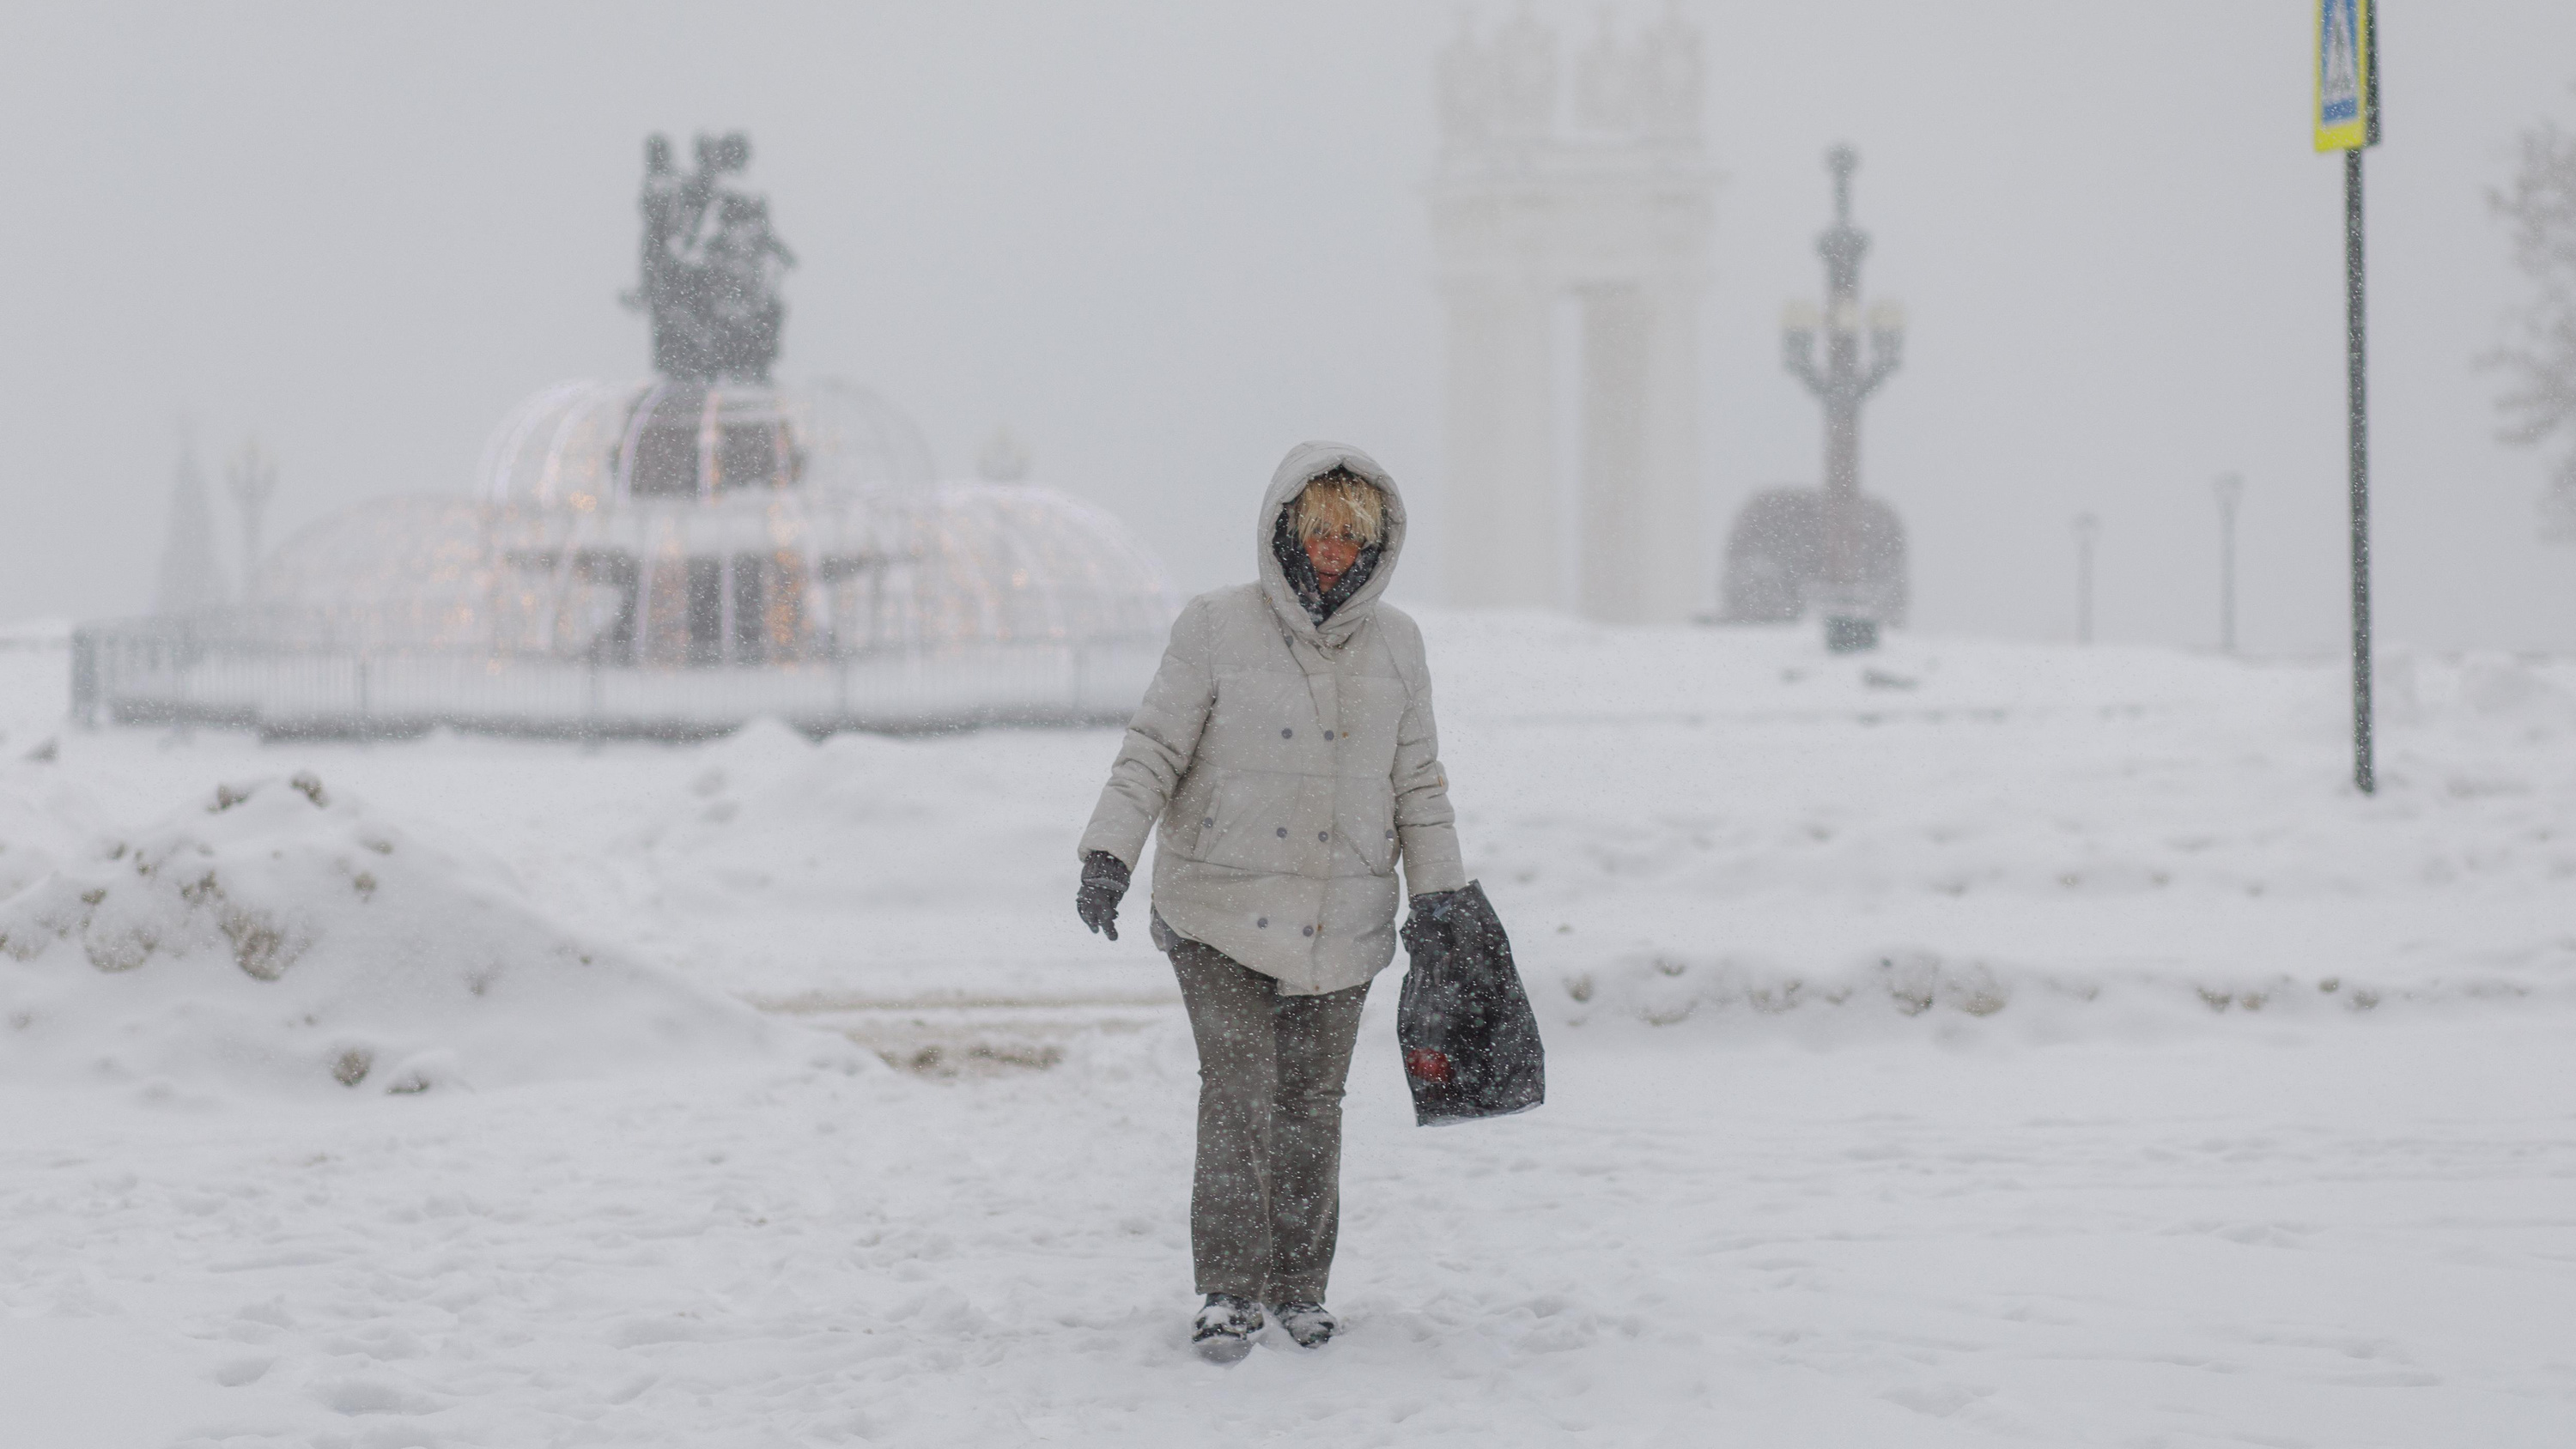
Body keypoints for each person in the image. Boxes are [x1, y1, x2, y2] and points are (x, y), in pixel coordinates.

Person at [1073, 441, 1472, 1362]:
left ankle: (1300, 1285)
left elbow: (1420, 783)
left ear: (1375, 545)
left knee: (1312, 1103)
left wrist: (1441, 896)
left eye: (1352, 537)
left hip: (1344, 914)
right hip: (1218, 907)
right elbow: (1153, 749)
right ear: (1288, 527)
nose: (1333, 552)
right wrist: (1108, 851)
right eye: (1320, 531)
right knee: (1240, 1091)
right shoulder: (1216, 627)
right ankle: (1227, 1286)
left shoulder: (1399, 645)